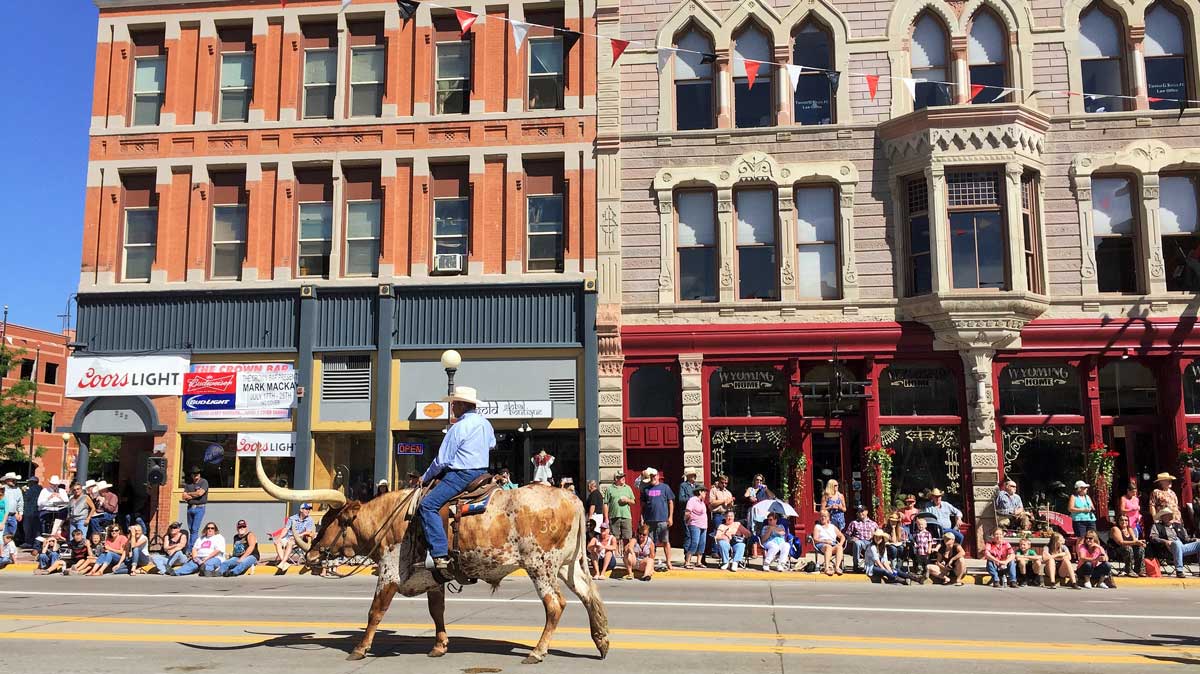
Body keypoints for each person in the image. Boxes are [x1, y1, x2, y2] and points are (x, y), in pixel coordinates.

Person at [418, 385, 496, 574]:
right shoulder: (485, 423)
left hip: (461, 474)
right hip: (482, 473)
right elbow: (492, 445)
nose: (452, 407)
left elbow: (442, 460)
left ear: (462, 405)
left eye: (454, 404)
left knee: (427, 505)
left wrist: (425, 476)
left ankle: (439, 553)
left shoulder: (459, 426)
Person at [639, 468, 675, 571]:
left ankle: (668, 562)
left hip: (662, 519)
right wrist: (642, 517)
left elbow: (670, 502)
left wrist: (670, 517)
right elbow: (643, 505)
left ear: (658, 476)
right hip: (649, 520)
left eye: (655, 476)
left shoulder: (665, 487)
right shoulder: (646, 489)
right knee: (650, 543)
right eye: (651, 476)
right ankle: (651, 561)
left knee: (665, 541)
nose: (653, 478)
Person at [1148, 508, 1200, 578]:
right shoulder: (1157, 526)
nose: (1170, 517)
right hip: (1167, 548)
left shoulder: (1178, 526)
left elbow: (1186, 539)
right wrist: (1165, 541)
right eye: (1167, 515)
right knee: (1177, 543)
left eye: (1171, 515)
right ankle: (1179, 571)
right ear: (1162, 517)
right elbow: (1153, 537)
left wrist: (1195, 539)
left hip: (1183, 547)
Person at [276, 502, 317, 572]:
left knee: (290, 542)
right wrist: (279, 538)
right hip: (289, 536)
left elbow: (308, 532)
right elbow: (286, 529)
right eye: (306, 509)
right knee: (277, 542)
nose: (308, 511)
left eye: (309, 509)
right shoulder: (292, 518)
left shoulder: (309, 520)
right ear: (301, 510)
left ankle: (282, 562)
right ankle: (284, 562)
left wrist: (297, 536)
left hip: (300, 539)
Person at [603, 472, 635, 551]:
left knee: (627, 537)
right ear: (616, 479)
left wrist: (627, 500)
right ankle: (616, 556)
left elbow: (633, 501)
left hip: (626, 516)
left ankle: (626, 554)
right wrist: (606, 518)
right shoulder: (610, 489)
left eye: (623, 476)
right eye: (621, 477)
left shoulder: (628, 488)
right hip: (614, 516)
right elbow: (605, 503)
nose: (623, 478)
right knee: (614, 537)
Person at [181, 466, 209, 549]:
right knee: (190, 529)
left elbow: (200, 493)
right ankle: (193, 547)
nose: (196, 475)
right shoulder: (188, 484)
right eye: (194, 474)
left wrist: (189, 494)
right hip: (190, 508)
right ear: (192, 475)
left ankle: (191, 549)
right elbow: (183, 497)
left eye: (198, 474)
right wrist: (194, 494)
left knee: (194, 529)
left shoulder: (204, 482)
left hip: (199, 508)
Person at [1110, 513, 1146, 577]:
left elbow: (1135, 540)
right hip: (1117, 551)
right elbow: (1120, 542)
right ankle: (1129, 570)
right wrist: (1135, 543)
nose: (1124, 522)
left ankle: (1139, 570)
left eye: (1126, 520)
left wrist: (1141, 543)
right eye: (1121, 520)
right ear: (1118, 521)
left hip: (1129, 550)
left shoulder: (1129, 529)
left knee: (1140, 548)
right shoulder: (1115, 529)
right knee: (1128, 548)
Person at [812, 509, 846, 575]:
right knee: (828, 547)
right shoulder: (817, 527)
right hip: (821, 544)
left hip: (832, 544)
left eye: (824, 516)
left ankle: (837, 567)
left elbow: (842, 536)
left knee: (839, 547)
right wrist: (825, 541)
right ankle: (826, 568)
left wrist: (841, 543)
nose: (823, 518)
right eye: (821, 516)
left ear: (828, 518)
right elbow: (815, 539)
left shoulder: (832, 527)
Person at [844, 506, 877, 572]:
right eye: (859, 512)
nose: (860, 513)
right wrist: (851, 538)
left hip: (870, 541)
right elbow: (847, 535)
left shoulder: (873, 524)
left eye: (862, 511)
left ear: (867, 512)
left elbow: (879, 534)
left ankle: (875, 565)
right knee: (857, 543)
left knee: (875, 545)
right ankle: (856, 566)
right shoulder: (854, 523)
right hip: (859, 541)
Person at [683, 485, 708, 569]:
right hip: (694, 524)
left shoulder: (702, 502)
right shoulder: (692, 500)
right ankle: (687, 561)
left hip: (703, 525)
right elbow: (687, 512)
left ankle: (699, 561)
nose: (705, 493)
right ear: (700, 492)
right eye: (704, 491)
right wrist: (687, 521)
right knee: (694, 542)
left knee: (702, 543)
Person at [21, 476, 41, 547]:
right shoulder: (41, 489)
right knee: (37, 529)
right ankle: (37, 543)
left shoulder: (30, 490)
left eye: (29, 482)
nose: (28, 483)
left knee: (28, 528)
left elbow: (25, 499)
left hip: (29, 512)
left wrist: (23, 492)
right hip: (38, 512)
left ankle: (28, 542)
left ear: (32, 482)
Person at [1, 473, 22, 537]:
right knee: (2, 534)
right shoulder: (2, 489)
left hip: (13, 515)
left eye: (15, 480)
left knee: (11, 535)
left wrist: (20, 513)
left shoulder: (17, 490)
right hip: (2, 515)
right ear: (7, 480)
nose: (14, 481)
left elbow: (20, 502)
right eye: (12, 480)